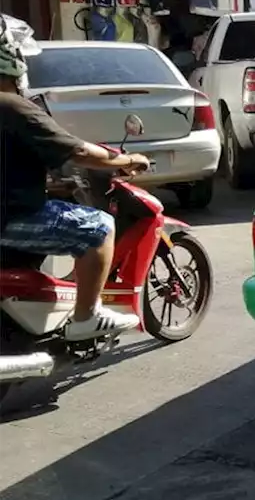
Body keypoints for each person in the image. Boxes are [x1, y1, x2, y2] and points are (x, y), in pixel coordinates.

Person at [0, 28, 152, 339]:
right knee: (99, 227)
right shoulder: (12, 106)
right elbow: (79, 151)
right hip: (10, 220)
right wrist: (126, 160)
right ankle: (86, 317)